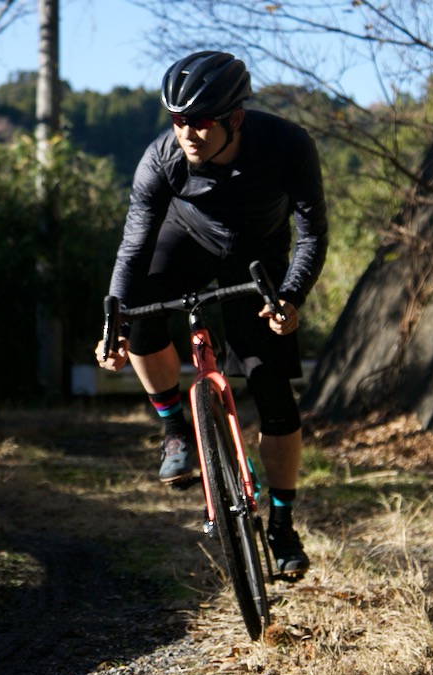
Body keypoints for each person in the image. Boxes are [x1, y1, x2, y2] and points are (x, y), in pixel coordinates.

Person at [94, 51, 327, 581]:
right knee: (142, 312)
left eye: (199, 122)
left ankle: (283, 524)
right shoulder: (162, 160)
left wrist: (290, 297)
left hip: (258, 255)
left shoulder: (288, 146)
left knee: (272, 392)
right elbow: (132, 250)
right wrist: (113, 325)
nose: (187, 134)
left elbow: (313, 235)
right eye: (177, 121)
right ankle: (175, 428)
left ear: (234, 119)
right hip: (186, 241)